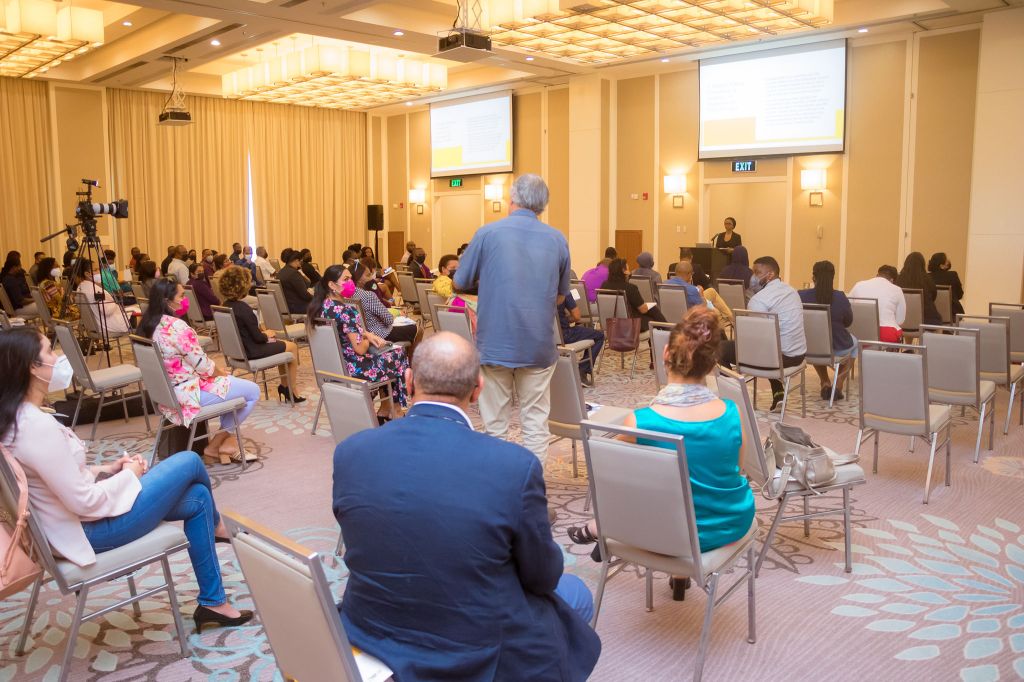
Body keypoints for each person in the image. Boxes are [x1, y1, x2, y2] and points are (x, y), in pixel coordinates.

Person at [333, 332, 601, 680]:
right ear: (478, 389)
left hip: (373, 628)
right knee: (577, 593)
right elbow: (542, 577)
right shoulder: (513, 466)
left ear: (409, 381)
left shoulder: (351, 452)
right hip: (475, 646)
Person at [0, 328, 254, 633]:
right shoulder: (35, 427)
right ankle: (217, 527)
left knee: (198, 497)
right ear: (32, 366)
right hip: (89, 532)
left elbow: (57, 479)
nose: (57, 358)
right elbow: (84, 501)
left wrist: (108, 469)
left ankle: (213, 602)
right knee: (189, 461)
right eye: (49, 352)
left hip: (72, 524)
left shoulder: (18, 420)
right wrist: (130, 476)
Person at [567, 308, 756, 600]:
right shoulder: (732, 413)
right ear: (711, 366)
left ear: (665, 354)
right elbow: (737, 472)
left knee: (640, 487)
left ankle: (600, 527)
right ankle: (676, 573)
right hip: (727, 523)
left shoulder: (640, 422)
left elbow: (613, 485)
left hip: (662, 532)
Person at [454, 174, 571, 464]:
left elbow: (459, 281)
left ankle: (498, 485)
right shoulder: (557, 239)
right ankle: (532, 486)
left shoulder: (487, 233)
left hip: (495, 343)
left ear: (512, 199)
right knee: (535, 424)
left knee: (495, 426)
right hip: (538, 344)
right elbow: (561, 296)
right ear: (543, 205)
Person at [138, 278, 260, 463]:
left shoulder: (148, 325)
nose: (184, 300)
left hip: (167, 394)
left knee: (233, 387)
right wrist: (222, 374)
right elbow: (203, 366)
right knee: (252, 391)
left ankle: (228, 442)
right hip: (188, 394)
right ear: (167, 300)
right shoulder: (177, 327)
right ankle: (216, 444)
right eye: (181, 296)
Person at [309, 265, 409, 418]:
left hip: (332, 368)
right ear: (332, 285)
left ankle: (384, 409)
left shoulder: (321, 307)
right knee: (398, 353)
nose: (351, 283)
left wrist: (366, 333)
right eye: (345, 279)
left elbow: (344, 330)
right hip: (353, 369)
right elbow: (360, 349)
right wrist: (367, 338)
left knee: (387, 356)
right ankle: (395, 410)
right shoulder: (347, 310)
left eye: (351, 279)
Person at [719, 256, 806, 412]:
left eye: (757, 272)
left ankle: (734, 398)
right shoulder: (792, 291)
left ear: (770, 275)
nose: (753, 277)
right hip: (798, 354)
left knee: (719, 348)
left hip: (777, 360)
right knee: (768, 343)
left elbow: (753, 340)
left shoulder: (759, 300)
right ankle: (778, 393)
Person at [220, 266, 305, 404]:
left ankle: (285, 386)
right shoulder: (243, 308)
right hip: (252, 351)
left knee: (282, 345)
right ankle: (291, 389)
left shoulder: (224, 306)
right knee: (292, 346)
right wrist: (266, 334)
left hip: (238, 352)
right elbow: (258, 338)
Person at [799, 261, 856, 400]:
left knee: (817, 342)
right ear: (833, 277)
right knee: (856, 344)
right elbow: (848, 322)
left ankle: (825, 381)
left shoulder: (801, 295)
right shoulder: (840, 297)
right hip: (837, 347)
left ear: (813, 277)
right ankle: (839, 382)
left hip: (808, 349)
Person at [351, 258, 420, 347]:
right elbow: (388, 319)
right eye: (368, 275)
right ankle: (409, 353)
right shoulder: (368, 295)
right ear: (359, 279)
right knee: (416, 328)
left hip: (362, 333)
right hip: (380, 333)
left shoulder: (346, 296)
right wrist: (394, 315)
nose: (371, 277)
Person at [600, 258, 666, 332]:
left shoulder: (604, 285)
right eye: (628, 269)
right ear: (624, 271)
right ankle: (667, 330)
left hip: (611, 322)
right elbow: (643, 309)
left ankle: (667, 331)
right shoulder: (630, 288)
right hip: (629, 324)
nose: (630, 272)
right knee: (653, 313)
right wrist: (651, 305)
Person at [666, 260, 733, 328]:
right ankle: (730, 320)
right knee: (717, 313)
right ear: (689, 274)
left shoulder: (663, 285)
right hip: (689, 320)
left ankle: (730, 318)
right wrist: (701, 295)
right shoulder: (692, 290)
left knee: (711, 291)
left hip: (670, 319)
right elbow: (703, 309)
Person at [849, 265, 907, 343]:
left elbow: (848, 308)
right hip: (886, 333)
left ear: (877, 275)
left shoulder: (858, 285)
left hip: (860, 332)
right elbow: (900, 320)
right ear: (892, 280)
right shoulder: (897, 290)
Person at [75, 259, 130, 335]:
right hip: (107, 326)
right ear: (87, 274)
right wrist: (115, 303)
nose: (99, 272)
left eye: (99, 269)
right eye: (96, 270)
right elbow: (106, 310)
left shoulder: (81, 287)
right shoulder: (95, 290)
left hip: (94, 326)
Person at [559, 293, 604, 385]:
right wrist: (565, 320)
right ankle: (582, 370)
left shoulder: (535, 291)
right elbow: (577, 316)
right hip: (564, 335)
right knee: (599, 336)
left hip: (545, 336)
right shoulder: (563, 292)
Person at [897, 251, 940, 325]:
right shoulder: (927, 279)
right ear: (922, 264)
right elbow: (934, 295)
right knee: (938, 321)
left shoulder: (899, 279)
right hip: (925, 319)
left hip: (901, 318)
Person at [36, 257, 78, 321]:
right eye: (56, 266)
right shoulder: (48, 284)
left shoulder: (43, 282)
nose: (59, 266)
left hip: (54, 311)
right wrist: (69, 295)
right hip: (58, 313)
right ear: (49, 269)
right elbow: (61, 301)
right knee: (83, 310)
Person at [928, 252, 965, 317]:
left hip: (932, 313)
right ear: (941, 266)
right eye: (947, 261)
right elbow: (960, 295)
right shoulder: (953, 275)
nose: (948, 262)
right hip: (953, 314)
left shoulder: (926, 277)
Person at [1, 251, 36, 317]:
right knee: (45, 307)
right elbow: (21, 301)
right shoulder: (11, 281)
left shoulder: (6, 278)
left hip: (13, 309)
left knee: (43, 305)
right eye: (19, 266)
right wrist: (36, 300)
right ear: (14, 267)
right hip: (18, 309)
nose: (20, 269)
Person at [278, 249, 313, 315]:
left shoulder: (281, 272)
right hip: (297, 307)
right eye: (301, 261)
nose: (301, 263)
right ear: (297, 260)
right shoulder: (293, 274)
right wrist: (316, 298)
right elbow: (305, 295)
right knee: (322, 305)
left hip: (287, 306)